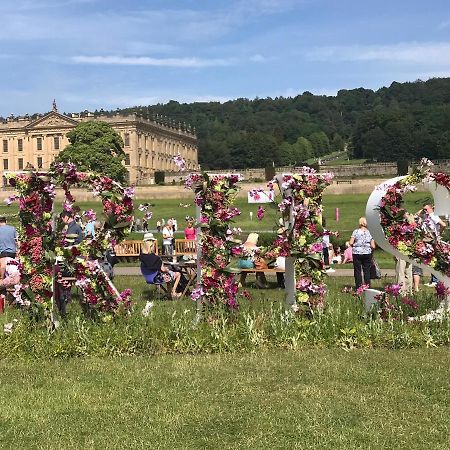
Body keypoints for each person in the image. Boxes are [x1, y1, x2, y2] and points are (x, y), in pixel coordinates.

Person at [420, 203, 446, 287]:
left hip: (433, 240)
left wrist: (438, 233)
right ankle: (434, 279)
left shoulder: (433, 216)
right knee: (431, 259)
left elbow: (443, 224)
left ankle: (436, 280)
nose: (424, 211)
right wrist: (424, 210)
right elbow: (417, 214)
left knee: (435, 259)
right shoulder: (426, 216)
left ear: (431, 209)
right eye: (423, 209)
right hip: (428, 240)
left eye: (426, 209)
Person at [349, 217, 376, 289]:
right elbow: (373, 246)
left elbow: (351, 242)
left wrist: (356, 244)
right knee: (366, 270)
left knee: (357, 270)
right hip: (367, 253)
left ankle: (358, 286)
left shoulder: (356, 231)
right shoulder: (370, 232)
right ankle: (367, 286)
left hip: (357, 253)